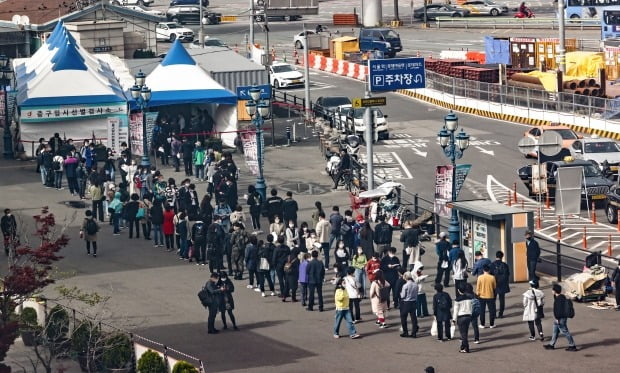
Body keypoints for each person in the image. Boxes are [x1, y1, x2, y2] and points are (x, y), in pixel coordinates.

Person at [544, 284, 578, 351]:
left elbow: (558, 310)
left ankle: (572, 345)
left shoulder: (559, 299)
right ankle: (551, 344)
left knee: (565, 331)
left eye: (552, 290)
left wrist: (557, 318)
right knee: (555, 331)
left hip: (560, 318)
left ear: (555, 291)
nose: (551, 291)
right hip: (560, 318)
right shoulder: (561, 297)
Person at [452, 286, 473, 353]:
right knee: (465, 332)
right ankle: (463, 346)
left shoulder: (457, 300)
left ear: (459, 291)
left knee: (463, 333)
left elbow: (455, 311)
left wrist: (454, 320)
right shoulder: (470, 298)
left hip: (461, 317)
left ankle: (466, 347)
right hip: (468, 316)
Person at [476, 264, 497, 329]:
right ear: (489, 270)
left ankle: (482, 324)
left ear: (483, 270)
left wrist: (477, 294)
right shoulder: (492, 277)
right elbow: (494, 287)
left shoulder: (480, 277)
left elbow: (478, 287)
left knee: (482, 311)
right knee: (492, 311)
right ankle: (491, 324)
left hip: (481, 296)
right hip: (490, 296)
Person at [491, 251, 511, 318]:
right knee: (502, 299)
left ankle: (493, 314)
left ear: (496, 256)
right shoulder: (505, 265)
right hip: (502, 284)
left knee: (493, 300)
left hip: (494, 284)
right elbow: (507, 274)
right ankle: (501, 314)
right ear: (502, 257)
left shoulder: (492, 265)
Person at [399, 271, 419, 338]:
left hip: (406, 302)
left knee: (403, 317)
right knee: (414, 318)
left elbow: (403, 296)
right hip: (413, 302)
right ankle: (414, 333)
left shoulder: (405, 286)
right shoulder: (415, 285)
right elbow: (416, 294)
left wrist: (400, 294)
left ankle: (405, 332)